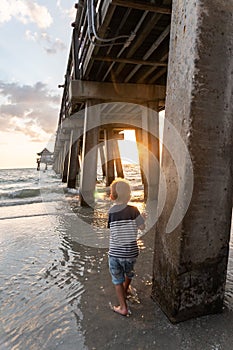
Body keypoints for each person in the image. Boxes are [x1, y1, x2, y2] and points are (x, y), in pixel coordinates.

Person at [108, 178, 145, 316]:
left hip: (115, 253)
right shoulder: (134, 210)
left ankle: (123, 307)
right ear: (129, 196)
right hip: (131, 252)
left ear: (112, 196)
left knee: (117, 279)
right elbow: (141, 227)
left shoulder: (111, 212)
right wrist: (142, 219)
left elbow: (111, 230)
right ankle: (127, 288)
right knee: (128, 272)